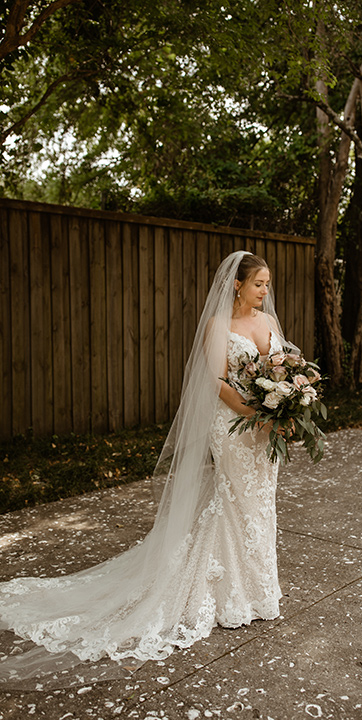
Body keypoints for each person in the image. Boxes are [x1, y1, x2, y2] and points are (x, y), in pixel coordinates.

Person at [0, 250, 296, 687]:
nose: (265, 290)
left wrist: (285, 408)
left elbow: (285, 369)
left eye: (268, 284)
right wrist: (254, 412)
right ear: (237, 285)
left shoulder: (270, 324)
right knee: (235, 502)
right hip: (234, 426)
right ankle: (229, 595)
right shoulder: (219, 326)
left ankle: (257, 591)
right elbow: (216, 382)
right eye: (258, 284)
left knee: (260, 504)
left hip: (264, 429)